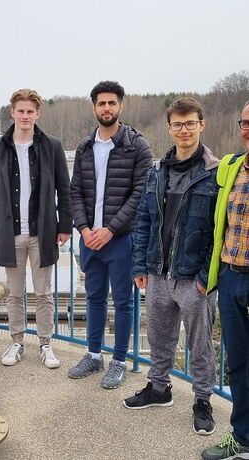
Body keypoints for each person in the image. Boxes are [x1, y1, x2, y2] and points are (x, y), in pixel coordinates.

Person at [123, 98, 219, 436]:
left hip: (193, 277)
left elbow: (218, 230)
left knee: (200, 344)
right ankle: (159, 388)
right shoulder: (157, 170)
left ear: (201, 125)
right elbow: (144, 220)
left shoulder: (215, 173)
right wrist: (140, 265)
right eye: (178, 124)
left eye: (190, 123)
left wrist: (206, 277)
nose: (184, 130)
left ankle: (202, 400)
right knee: (159, 336)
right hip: (158, 271)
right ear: (169, 128)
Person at [68, 81, 152, 388]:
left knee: (124, 302)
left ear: (120, 106)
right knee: (94, 298)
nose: (106, 108)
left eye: (111, 103)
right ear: (94, 108)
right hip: (90, 239)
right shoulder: (85, 147)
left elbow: (140, 195)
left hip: (121, 240)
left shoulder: (137, 146)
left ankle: (118, 361)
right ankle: (93, 355)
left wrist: (110, 229)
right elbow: (75, 192)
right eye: (101, 103)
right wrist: (84, 229)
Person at [0, 88, 72, 369]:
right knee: (14, 293)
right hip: (9, 233)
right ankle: (17, 342)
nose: (25, 116)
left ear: (37, 114)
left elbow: (64, 189)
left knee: (43, 293)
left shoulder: (51, 146)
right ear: (12, 112)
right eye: (20, 111)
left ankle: (45, 344)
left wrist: (65, 225)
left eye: (30, 111)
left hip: (42, 232)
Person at [201, 102, 249, 459]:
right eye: (245, 122)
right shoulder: (232, 167)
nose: (248, 129)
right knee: (239, 363)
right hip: (231, 277)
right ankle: (243, 437)